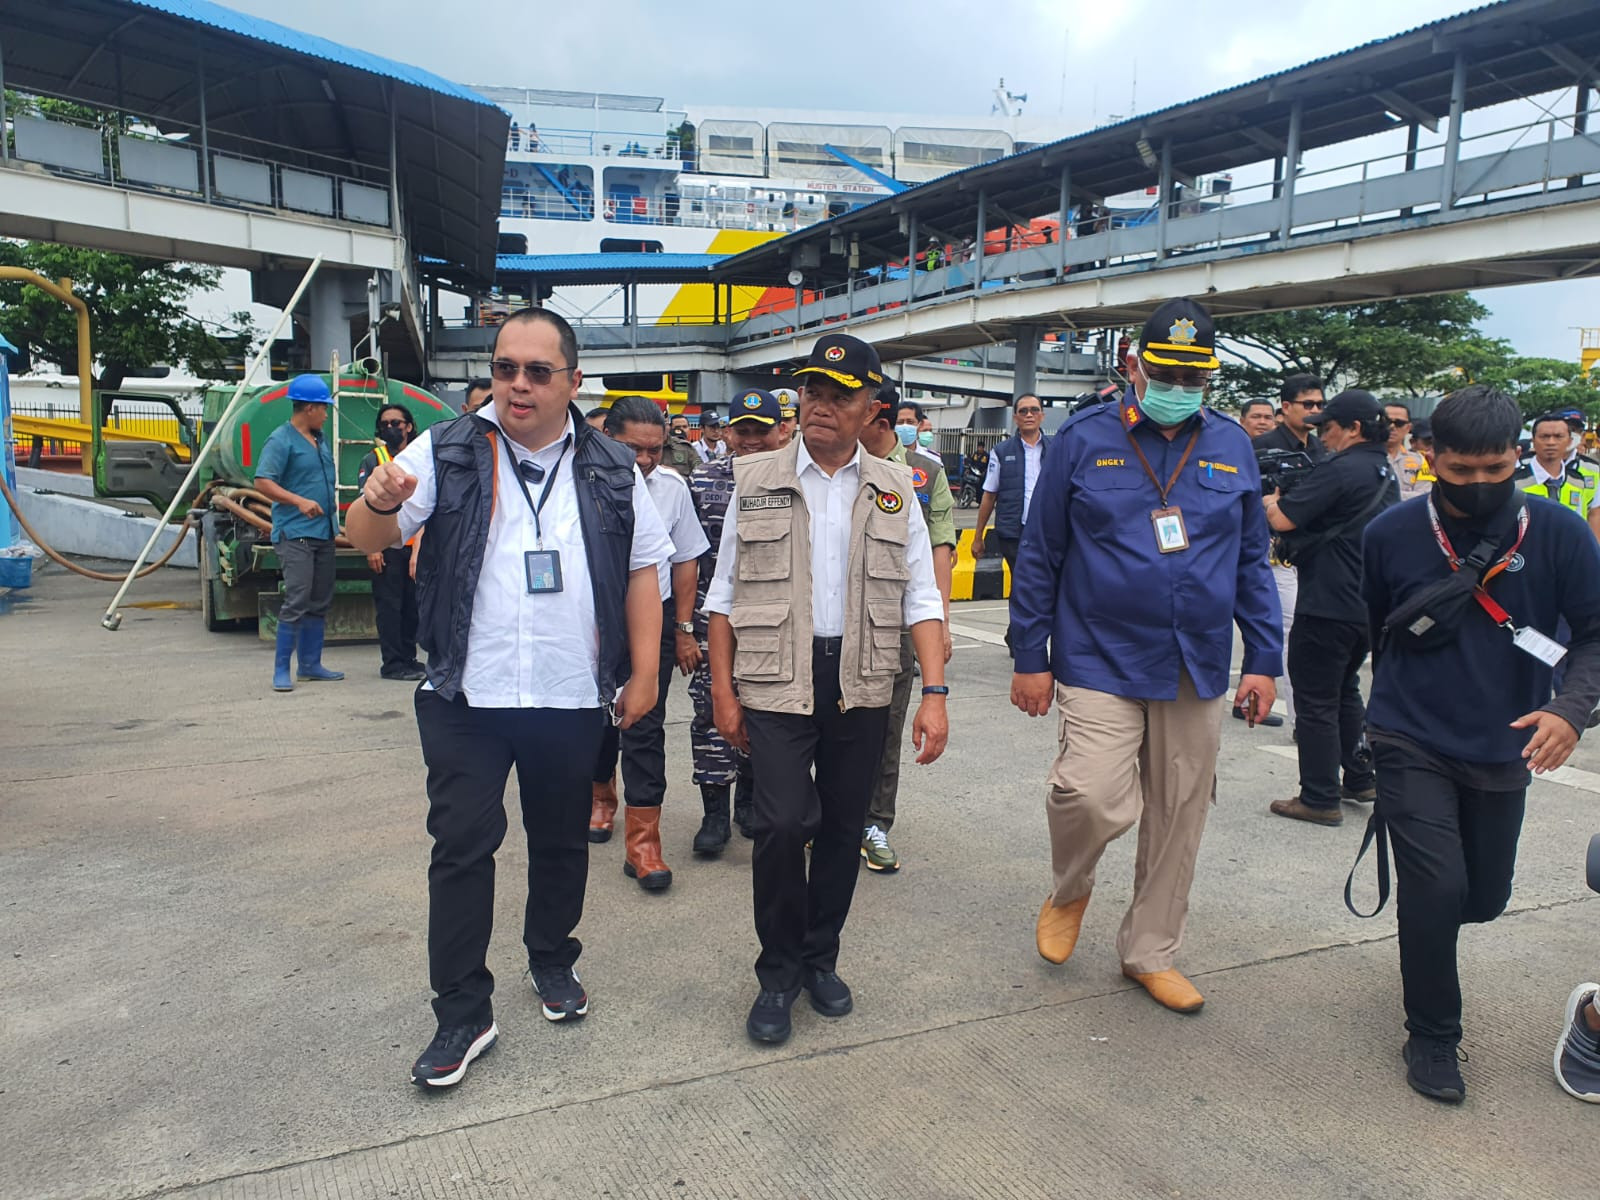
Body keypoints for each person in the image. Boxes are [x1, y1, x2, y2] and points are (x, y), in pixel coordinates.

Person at [346, 306, 674, 1090]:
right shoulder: (447, 449)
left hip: (568, 691)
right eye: (504, 369)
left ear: (573, 381)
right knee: (461, 846)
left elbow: (642, 570)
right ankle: (462, 1011)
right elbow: (366, 537)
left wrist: (646, 672)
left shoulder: (611, 465)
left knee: (560, 841)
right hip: (467, 691)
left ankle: (552, 958)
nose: (517, 385)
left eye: (536, 371)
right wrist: (381, 501)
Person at [1010, 298, 1281, 1015]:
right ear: (1134, 364)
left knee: (1179, 812)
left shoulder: (1232, 444)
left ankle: (1150, 951)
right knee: (1090, 793)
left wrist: (1263, 658)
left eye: (1194, 379)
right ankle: (1071, 887)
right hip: (1098, 652)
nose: (1179, 389)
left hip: (1195, 661)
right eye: (1166, 374)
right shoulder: (1083, 439)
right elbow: (1040, 552)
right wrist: (1029, 654)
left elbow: (1252, 560)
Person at [1359, 384, 1600, 1104]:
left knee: (1483, 897)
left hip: (1507, 743)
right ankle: (1434, 1033)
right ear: (1431, 455)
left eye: (1494, 470)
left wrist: (1569, 711)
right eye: (1460, 470)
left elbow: (1595, 635)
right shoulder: (1390, 533)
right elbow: (1375, 630)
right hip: (1408, 733)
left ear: (1515, 456)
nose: (1477, 485)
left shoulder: (1560, 533)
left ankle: (1428, 927)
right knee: (1435, 888)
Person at [705, 332, 949, 1046]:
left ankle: (820, 959)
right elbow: (723, 594)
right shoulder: (755, 478)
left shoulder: (896, 488)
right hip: (776, 676)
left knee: (843, 828)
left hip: (863, 679)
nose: (821, 404)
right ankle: (777, 973)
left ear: (872, 408)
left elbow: (922, 597)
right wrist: (723, 693)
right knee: (783, 824)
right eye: (812, 390)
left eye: (840, 395)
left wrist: (934, 694)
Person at [587, 396, 710, 885]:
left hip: (652, 620)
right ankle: (600, 795)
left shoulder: (673, 488)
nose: (643, 460)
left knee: (644, 724)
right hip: (592, 619)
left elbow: (685, 560)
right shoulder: (579, 481)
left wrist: (683, 629)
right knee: (595, 719)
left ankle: (644, 842)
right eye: (632, 449)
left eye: (654, 450)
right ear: (606, 439)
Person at [1263, 390, 1400, 826]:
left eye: (1329, 427)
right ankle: (1359, 777)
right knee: (1344, 690)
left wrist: (1270, 500)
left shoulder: (1342, 468)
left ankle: (1319, 797)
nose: (1323, 435)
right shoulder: (1384, 470)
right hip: (1367, 604)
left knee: (1315, 699)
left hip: (1327, 601)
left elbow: (1283, 519)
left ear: (1354, 428)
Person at [856, 389, 957, 874]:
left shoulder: (925, 473)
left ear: (877, 417)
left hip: (895, 623)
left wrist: (941, 625)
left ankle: (875, 823)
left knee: (887, 727)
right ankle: (826, 814)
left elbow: (940, 549)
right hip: (836, 620)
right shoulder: (835, 462)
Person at [687, 390, 786, 849]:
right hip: (714, 615)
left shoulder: (794, 479)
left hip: (775, 617)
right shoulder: (701, 480)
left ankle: (748, 802)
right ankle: (714, 815)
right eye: (741, 430)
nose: (750, 440)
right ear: (727, 433)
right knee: (711, 712)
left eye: (760, 431)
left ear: (779, 431)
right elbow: (686, 557)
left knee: (765, 711)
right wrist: (683, 628)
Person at [253, 375, 345, 693]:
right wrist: (298, 501)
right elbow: (263, 481)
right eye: (324, 408)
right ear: (309, 408)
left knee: (319, 599)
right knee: (297, 599)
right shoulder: (281, 440)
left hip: (324, 532)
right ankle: (282, 670)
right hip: (296, 534)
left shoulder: (319, 440)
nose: (326, 414)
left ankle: (310, 665)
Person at [1250, 374, 1328, 726]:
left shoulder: (1320, 450)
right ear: (1286, 406)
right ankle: (1300, 720)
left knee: (1293, 628)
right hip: (1263, 548)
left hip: (1306, 552)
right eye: (1307, 404)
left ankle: (1299, 719)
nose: (1315, 410)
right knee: (1283, 627)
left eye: (1320, 404)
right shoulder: (1262, 446)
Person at [357, 403, 424, 681]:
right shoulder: (374, 460)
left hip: (414, 545)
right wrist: (372, 548)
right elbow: (366, 505)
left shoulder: (418, 457)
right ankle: (393, 663)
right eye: (385, 424)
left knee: (412, 607)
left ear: (408, 426)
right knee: (390, 607)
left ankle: (409, 658)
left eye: (396, 423)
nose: (390, 428)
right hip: (387, 546)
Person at [971, 393, 1046, 573]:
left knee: (1046, 581)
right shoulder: (1001, 452)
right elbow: (989, 495)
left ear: (1042, 415)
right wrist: (978, 536)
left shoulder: (1056, 449)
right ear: (1015, 418)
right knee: (1021, 579)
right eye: (1023, 411)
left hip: (1047, 531)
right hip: (1013, 534)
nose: (1029, 415)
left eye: (1034, 410)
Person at [1514, 412, 1600, 540]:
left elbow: (1587, 518)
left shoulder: (1577, 481)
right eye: (1544, 437)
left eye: (1558, 436)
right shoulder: (1516, 482)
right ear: (1533, 440)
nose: (1551, 442)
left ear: (1569, 441)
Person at [1384, 402, 1431, 500]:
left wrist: (1390, 496)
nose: (1392, 426)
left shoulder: (1420, 460)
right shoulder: (1365, 457)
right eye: (1387, 422)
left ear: (1408, 428)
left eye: (1399, 423)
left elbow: (1425, 495)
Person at [663, 412, 699, 478]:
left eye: (684, 427)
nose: (681, 430)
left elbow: (699, 471)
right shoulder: (657, 445)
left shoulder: (688, 448)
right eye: (677, 427)